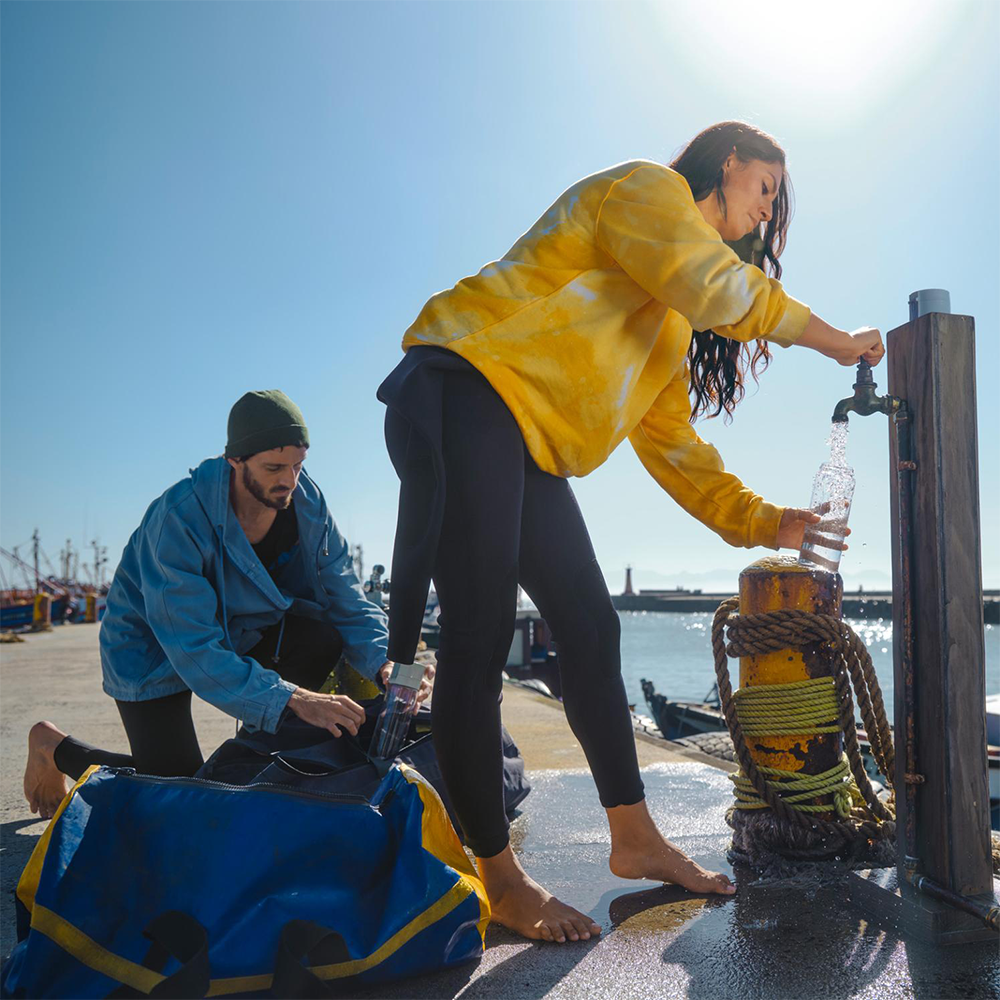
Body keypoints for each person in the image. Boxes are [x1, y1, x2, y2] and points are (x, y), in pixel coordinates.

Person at [378, 121, 884, 944]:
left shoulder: (669, 326)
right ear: (729, 164)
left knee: (589, 623)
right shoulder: (645, 192)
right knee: (477, 635)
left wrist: (769, 520)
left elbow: (676, 451)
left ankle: (632, 835)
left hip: (527, 441)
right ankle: (500, 878)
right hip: (462, 383)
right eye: (765, 190)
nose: (766, 215)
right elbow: (718, 284)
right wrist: (832, 341)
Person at [24, 390, 431, 818]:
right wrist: (290, 697)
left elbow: (347, 599)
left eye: (297, 465)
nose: (289, 480)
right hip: (155, 650)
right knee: (180, 798)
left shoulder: (308, 507)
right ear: (234, 460)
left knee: (321, 635)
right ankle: (55, 748)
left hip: (245, 632)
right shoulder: (177, 520)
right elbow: (196, 651)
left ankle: (264, 754)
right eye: (273, 467)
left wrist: (388, 663)